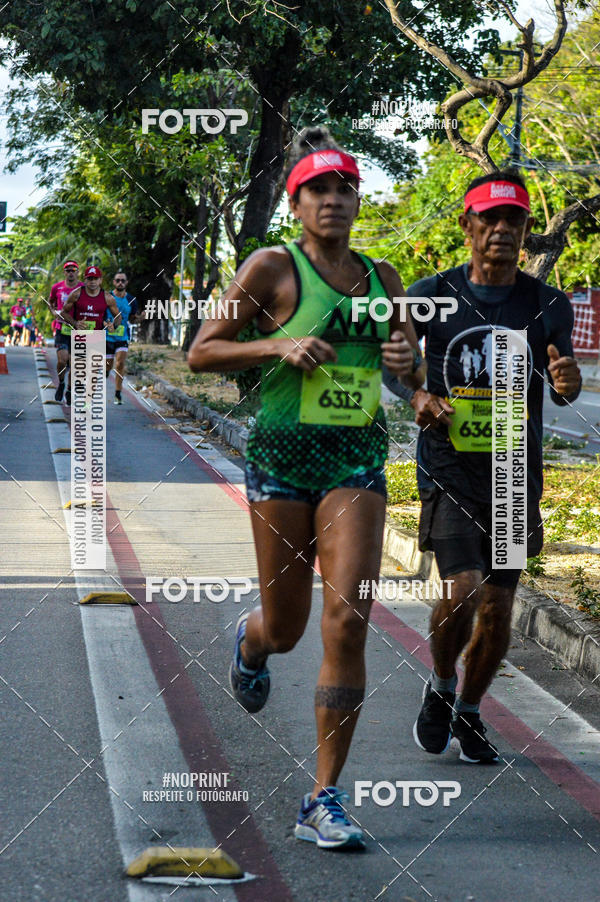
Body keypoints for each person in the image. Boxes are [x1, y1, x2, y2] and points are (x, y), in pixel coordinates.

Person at [188, 126, 425, 849]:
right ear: (296, 203)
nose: (332, 199)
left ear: (358, 199)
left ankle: (323, 798)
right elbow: (201, 351)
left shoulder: (383, 277)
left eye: (343, 188)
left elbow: (407, 373)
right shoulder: (272, 268)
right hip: (281, 461)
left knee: (348, 621)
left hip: (355, 462)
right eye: (317, 189)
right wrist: (276, 343)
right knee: (288, 628)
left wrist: (405, 358)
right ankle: (251, 642)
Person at [409, 170, 581, 764]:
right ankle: (441, 682)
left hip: (514, 471)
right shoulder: (430, 293)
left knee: (500, 605)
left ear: (527, 231)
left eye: (514, 221)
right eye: (490, 219)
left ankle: (470, 709)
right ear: (468, 226)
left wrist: (568, 382)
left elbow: (564, 384)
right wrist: (416, 396)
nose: (502, 230)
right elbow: (394, 360)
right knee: (463, 588)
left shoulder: (547, 303)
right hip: (449, 468)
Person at [61, 265, 122, 405]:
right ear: (85, 280)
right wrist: (75, 323)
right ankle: (70, 389)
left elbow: (118, 316)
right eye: (89, 279)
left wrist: (114, 325)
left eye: (95, 279)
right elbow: (64, 313)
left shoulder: (107, 297)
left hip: (97, 337)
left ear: (100, 280)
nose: (92, 282)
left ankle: (87, 403)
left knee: (94, 372)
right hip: (79, 336)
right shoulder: (77, 294)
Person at [104, 271, 141, 404]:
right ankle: (107, 371)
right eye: (118, 280)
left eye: (123, 280)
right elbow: (100, 314)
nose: (120, 283)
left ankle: (118, 393)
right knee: (108, 365)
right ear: (114, 282)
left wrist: (139, 318)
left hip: (122, 336)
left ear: (126, 283)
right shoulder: (107, 296)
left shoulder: (131, 299)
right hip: (107, 337)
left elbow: (132, 319)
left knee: (120, 363)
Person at [48, 261, 83, 401]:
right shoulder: (57, 287)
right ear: (64, 272)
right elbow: (51, 302)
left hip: (79, 330)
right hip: (62, 328)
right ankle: (61, 383)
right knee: (62, 361)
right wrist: (53, 312)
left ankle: (69, 389)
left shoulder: (84, 288)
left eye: (73, 270)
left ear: (77, 272)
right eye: (68, 270)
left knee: (75, 364)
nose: (70, 272)